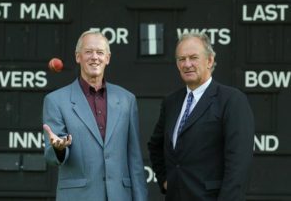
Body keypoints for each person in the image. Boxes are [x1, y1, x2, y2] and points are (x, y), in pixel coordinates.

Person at [147, 32, 255, 201]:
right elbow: (155, 146)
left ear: (210, 60)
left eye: (193, 57)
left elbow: (238, 164)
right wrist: (166, 181)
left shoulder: (232, 100)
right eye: (181, 59)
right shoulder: (171, 102)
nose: (187, 64)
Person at [43, 30, 148, 201]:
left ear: (107, 58)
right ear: (78, 57)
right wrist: (59, 149)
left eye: (100, 52)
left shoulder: (127, 99)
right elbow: (51, 156)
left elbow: (134, 158)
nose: (94, 57)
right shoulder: (56, 100)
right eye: (88, 52)